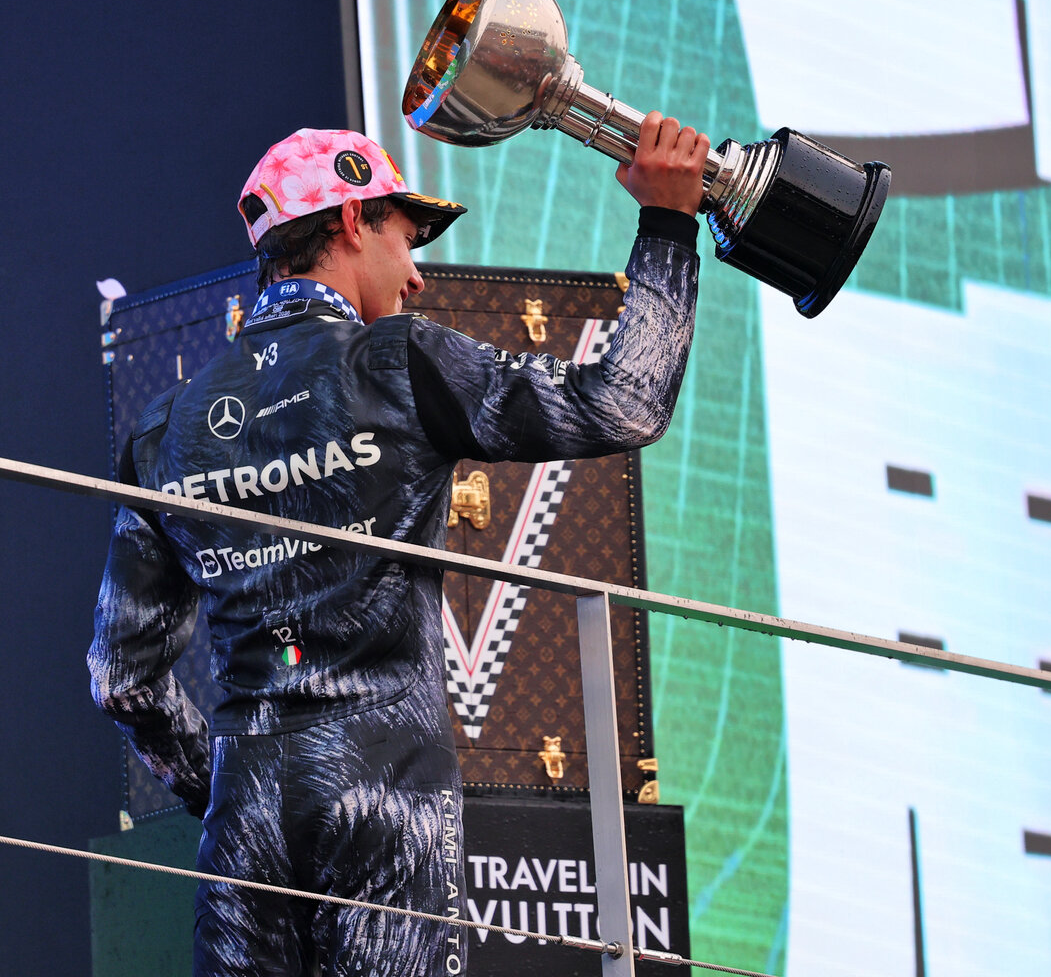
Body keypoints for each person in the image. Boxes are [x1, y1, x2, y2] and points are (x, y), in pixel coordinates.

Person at [88, 115, 709, 976]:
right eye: (406, 239)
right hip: (387, 803)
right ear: (352, 221)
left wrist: (225, 785)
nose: (416, 275)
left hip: (246, 818)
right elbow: (625, 403)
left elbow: (120, 678)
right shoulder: (400, 360)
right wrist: (669, 224)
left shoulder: (165, 427)